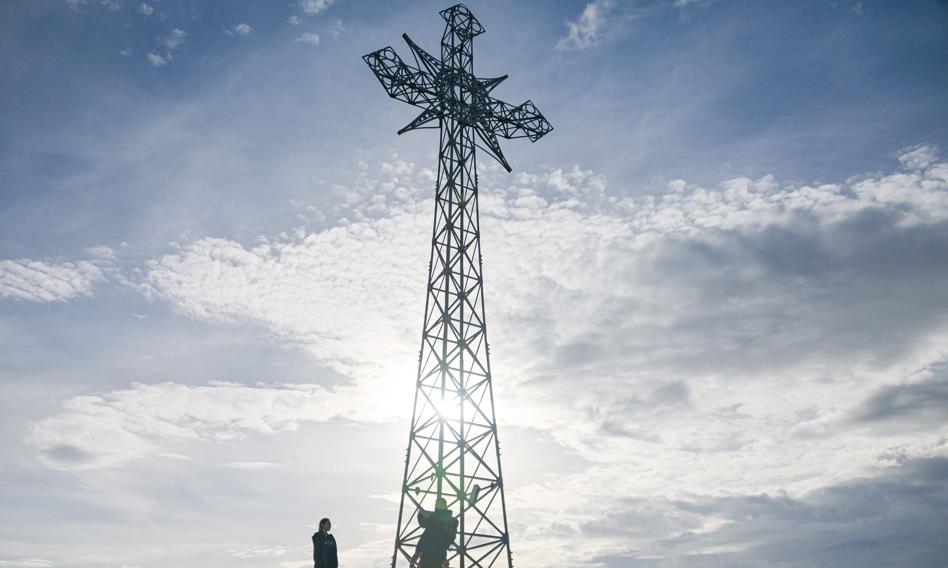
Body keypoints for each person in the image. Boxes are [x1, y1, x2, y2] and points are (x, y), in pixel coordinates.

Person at [411, 497, 458, 568]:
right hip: (441, 555)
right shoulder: (452, 522)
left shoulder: (433, 519)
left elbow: (423, 523)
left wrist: (420, 515)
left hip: (428, 555)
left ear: (437, 506)